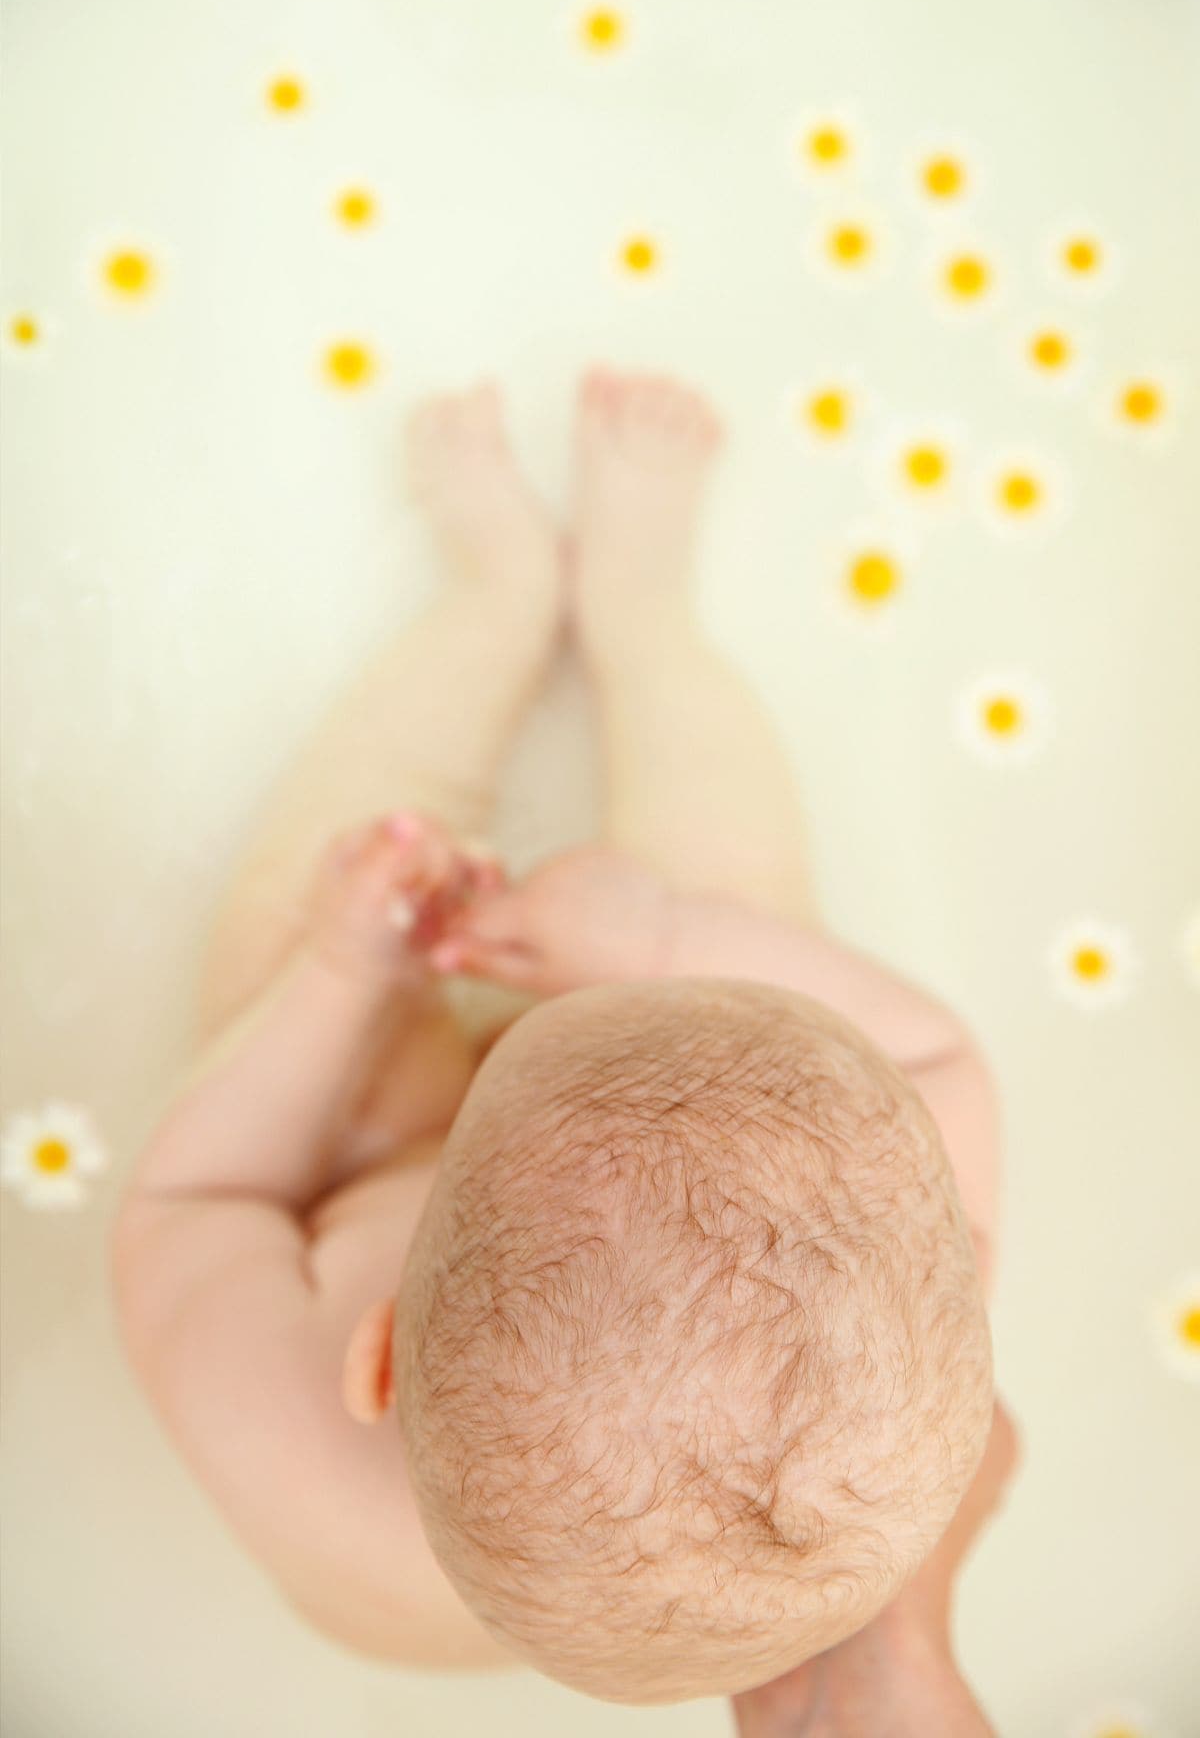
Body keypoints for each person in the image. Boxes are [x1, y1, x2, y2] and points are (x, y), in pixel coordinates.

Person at [111, 371, 1018, 1725]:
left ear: (382, 1353)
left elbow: (193, 1198)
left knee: (321, 890)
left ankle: (493, 604)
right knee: (747, 904)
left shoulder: (290, 1440)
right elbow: (941, 1060)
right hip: (630, 1071)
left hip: (368, 1143)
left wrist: (340, 971)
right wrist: (661, 938)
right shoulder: (884, 1323)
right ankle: (647, 625)